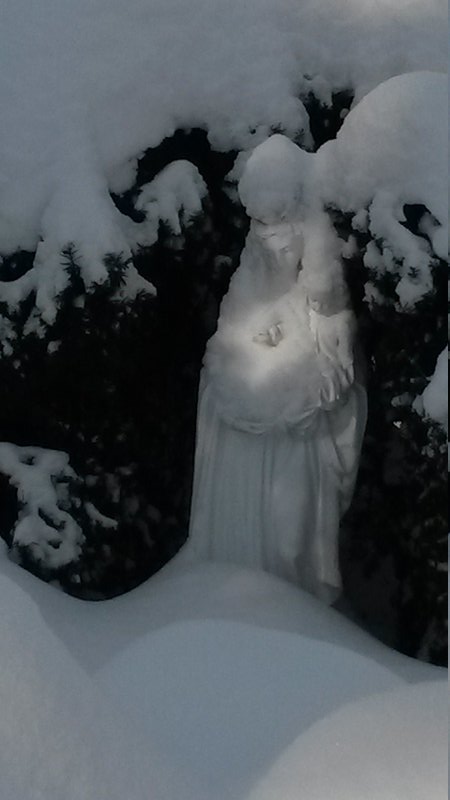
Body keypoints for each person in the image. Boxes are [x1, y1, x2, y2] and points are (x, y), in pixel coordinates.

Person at [185, 136, 367, 603]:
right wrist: (250, 346)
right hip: (244, 459)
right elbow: (224, 359)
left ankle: (290, 604)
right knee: (243, 534)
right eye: (260, 228)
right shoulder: (246, 285)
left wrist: (300, 369)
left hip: (294, 445)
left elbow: (339, 385)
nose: (270, 243)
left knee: (290, 538)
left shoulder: (325, 309)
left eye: (281, 229)